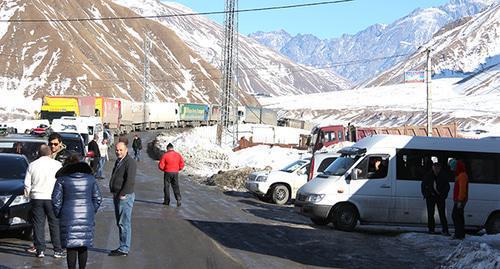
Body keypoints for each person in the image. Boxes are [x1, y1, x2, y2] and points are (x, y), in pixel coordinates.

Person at [52, 155, 102, 269]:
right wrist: (91, 211)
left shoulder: (62, 180)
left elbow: (56, 200)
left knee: (71, 247)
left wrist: (59, 214)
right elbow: (98, 198)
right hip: (87, 215)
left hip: (67, 216)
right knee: (83, 246)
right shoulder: (90, 179)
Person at [23, 144, 65, 258]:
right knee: (54, 224)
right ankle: (57, 250)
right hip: (52, 198)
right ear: (50, 153)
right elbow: (61, 181)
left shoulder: (32, 165)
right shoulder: (57, 165)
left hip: (37, 197)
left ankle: (40, 250)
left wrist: (28, 195)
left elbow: (27, 184)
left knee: (38, 224)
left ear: (39, 153)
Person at [109, 142, 136, 256]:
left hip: (124, 196)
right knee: (120, 222)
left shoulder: (130, 162)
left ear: (126, 150)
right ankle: (122, 246)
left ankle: (124, 248)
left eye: (121, 150)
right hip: (117, 194)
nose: (118, 152)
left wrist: (123, 193)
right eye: (117, 150)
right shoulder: (119, 161)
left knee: (124, 222)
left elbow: (130, 180)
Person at [421, 162, 451, 235]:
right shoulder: (428, 175)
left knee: (442, 214)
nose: (436, 169)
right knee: (430, 214)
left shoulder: (443, 176)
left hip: (440, 197)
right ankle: (431, 229)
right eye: (435, 168)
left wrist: (443, 195)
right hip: (430, 197)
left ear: (440, 168)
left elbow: (447, 187)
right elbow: (423, 185)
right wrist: (426, 195)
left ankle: (445, 230)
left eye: (438, 168)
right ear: (432, 168)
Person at [451, 160, 469, 239]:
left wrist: (459, 201)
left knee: (456, 216)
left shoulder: (462, 176)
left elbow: (462, 190)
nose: (453, 169)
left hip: (459, 200)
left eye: (454, 168)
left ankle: (458, 234)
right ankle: (460, 234)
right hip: (459, 200)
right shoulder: (461, 175)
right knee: (459, 217)